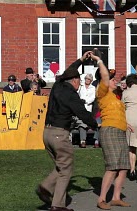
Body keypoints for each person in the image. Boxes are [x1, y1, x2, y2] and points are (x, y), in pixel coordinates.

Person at [36, 51, 97, 211]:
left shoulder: (57, 86)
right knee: (66, 169)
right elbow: (83, 114)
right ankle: (55, 202)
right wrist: (97, 125)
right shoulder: (71, 94)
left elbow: (66, 73)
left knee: (60, 166)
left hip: (46, 133)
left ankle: (48, 190)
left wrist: (80, 60)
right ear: (75, 80)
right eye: (79, 80)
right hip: (59, 134)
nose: (80, 84)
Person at [91, 54, 132, 210]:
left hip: (120, 131)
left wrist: (126, 124)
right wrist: (98, 60)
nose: (116, 81)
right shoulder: (102, 93)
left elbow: (116, 114)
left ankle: (116, 198)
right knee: (112, 166)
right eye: (113, 80)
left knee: (123, 167)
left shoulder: (115, 97)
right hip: (109, 131)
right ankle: (101, 199)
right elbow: (105, 75)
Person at [77, 73, 96, 148]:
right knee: (82, 123)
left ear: (91, 81)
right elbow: (77, 94)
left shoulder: (93, 88)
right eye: (86, 79)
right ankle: (82, 141)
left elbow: (93, 97)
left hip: (88, 107)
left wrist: (86, 101)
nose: (87, 80)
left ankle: (83, 141)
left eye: (89, 79)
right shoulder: (80, 87)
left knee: (84, 123)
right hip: (80, 107)